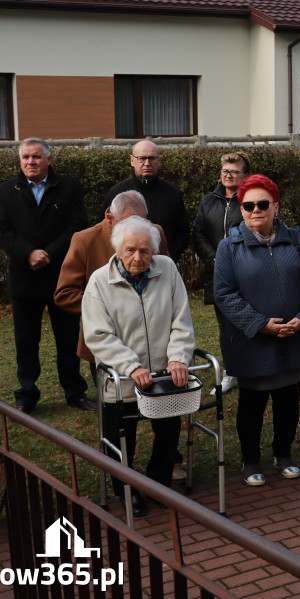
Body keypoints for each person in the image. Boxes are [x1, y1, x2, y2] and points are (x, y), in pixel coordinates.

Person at [214, 175, 300, 487]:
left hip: (294, 338)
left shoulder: (297, 239)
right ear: (241, 208)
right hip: (252, 344)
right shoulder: (228, 247)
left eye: (263, 204)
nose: (255, 210)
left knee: (288, 402)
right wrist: (259, 324)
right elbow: (224, 294)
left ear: (275, 206)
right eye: (249, 205)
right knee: (252, 407)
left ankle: (283, 454)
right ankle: (250, 461)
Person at [82, 216, 195, 517]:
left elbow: (181, 320)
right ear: (118, 249)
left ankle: (157, 483)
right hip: (121, 379)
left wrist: (179, 358)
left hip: (163, 373)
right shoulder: (99, 282)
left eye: (145, 251)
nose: (138, 257)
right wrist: (131, 366)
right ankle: (125, 488)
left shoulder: (167, 270)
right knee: (122, 436)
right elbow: (99, 336)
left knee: (169, 431)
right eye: (130, 249)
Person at [0, 137, 93, 414]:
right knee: (26, 341)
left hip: (62, 277)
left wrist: (47, 252)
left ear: (49, 159)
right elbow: (1, 229)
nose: (30, 162)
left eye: (36, 157)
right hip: (24, 278)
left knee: (69, 339)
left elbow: (77, 225)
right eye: (25, 157)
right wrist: (28, 253)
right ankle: (26, 395)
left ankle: (75, 392)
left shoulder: (69, 187)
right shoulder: (6, 190)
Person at [55, 191, 169, 368]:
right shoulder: (85, 240)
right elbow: (65, 293)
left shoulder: (154, 233)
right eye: (129, 222)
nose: (137, 229)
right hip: (107, 339)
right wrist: (105, 310)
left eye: (143, 221)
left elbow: (165, 279)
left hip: (153, 339)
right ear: (109, 218)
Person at [193, 152, 249, 394]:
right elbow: (198, 232)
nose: (228, 175)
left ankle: (250, 368)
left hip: (246, 271)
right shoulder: (209, 201)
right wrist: (214, 257)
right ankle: (230, 372)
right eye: (225, 171)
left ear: (244, 175)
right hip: (217, 271)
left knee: (247, 321)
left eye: (234, 171)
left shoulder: (250, 199)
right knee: (224, 325)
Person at [101, 140, 191, 264]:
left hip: (161, 265)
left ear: (159, 161)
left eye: (152, 158)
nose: (147, 163)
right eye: (142, 158)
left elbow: (182, 233)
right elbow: (106, 231)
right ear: (132, 161)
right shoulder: (117, 193)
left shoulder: (172, 194)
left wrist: (167, 258)